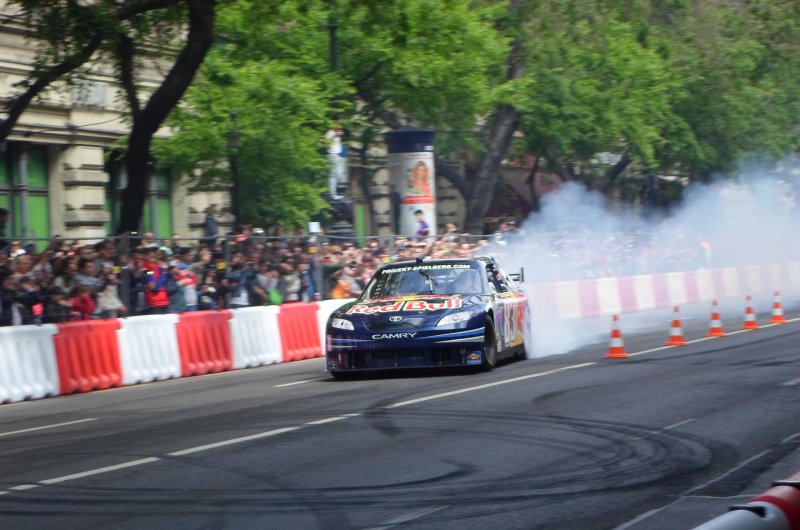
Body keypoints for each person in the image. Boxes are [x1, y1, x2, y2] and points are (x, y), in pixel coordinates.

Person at [326, 124, 347, 199]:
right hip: (333, 155)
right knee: (337, 175)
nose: (340, 129)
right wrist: (335, 135)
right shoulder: (330, 133)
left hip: (338, 156)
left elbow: (341, 134)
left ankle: (334, 194)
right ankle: (335, 193)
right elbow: (327, 142)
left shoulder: (336, 134)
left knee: (336, 175)